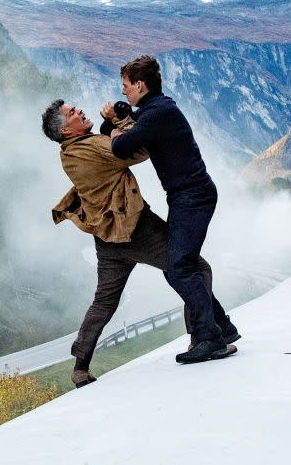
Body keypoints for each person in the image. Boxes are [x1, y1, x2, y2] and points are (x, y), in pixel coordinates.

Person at [41, 99, 238, 387]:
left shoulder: (69, 153)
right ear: (66, 131)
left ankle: (80, 367)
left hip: (107, 238)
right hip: (135, 228)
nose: (80, 111)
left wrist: (112, 126)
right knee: (192, 267)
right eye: (72, 113)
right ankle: (204, 336)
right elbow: (138, 149)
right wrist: (122, 122)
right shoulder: (93, 147)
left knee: (104, 301)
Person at [106, 55, 232, 363]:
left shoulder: (157, 113)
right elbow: (138, 128)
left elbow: (121, 148)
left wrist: (113, 127)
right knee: (182, 266)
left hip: (192, 197)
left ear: (140, 84)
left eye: (126, 86)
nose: (123, 92)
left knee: (179, 268)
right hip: (187, 196)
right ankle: (223, 329)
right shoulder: (156, 110)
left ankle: (210, 338)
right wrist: (124, 119)